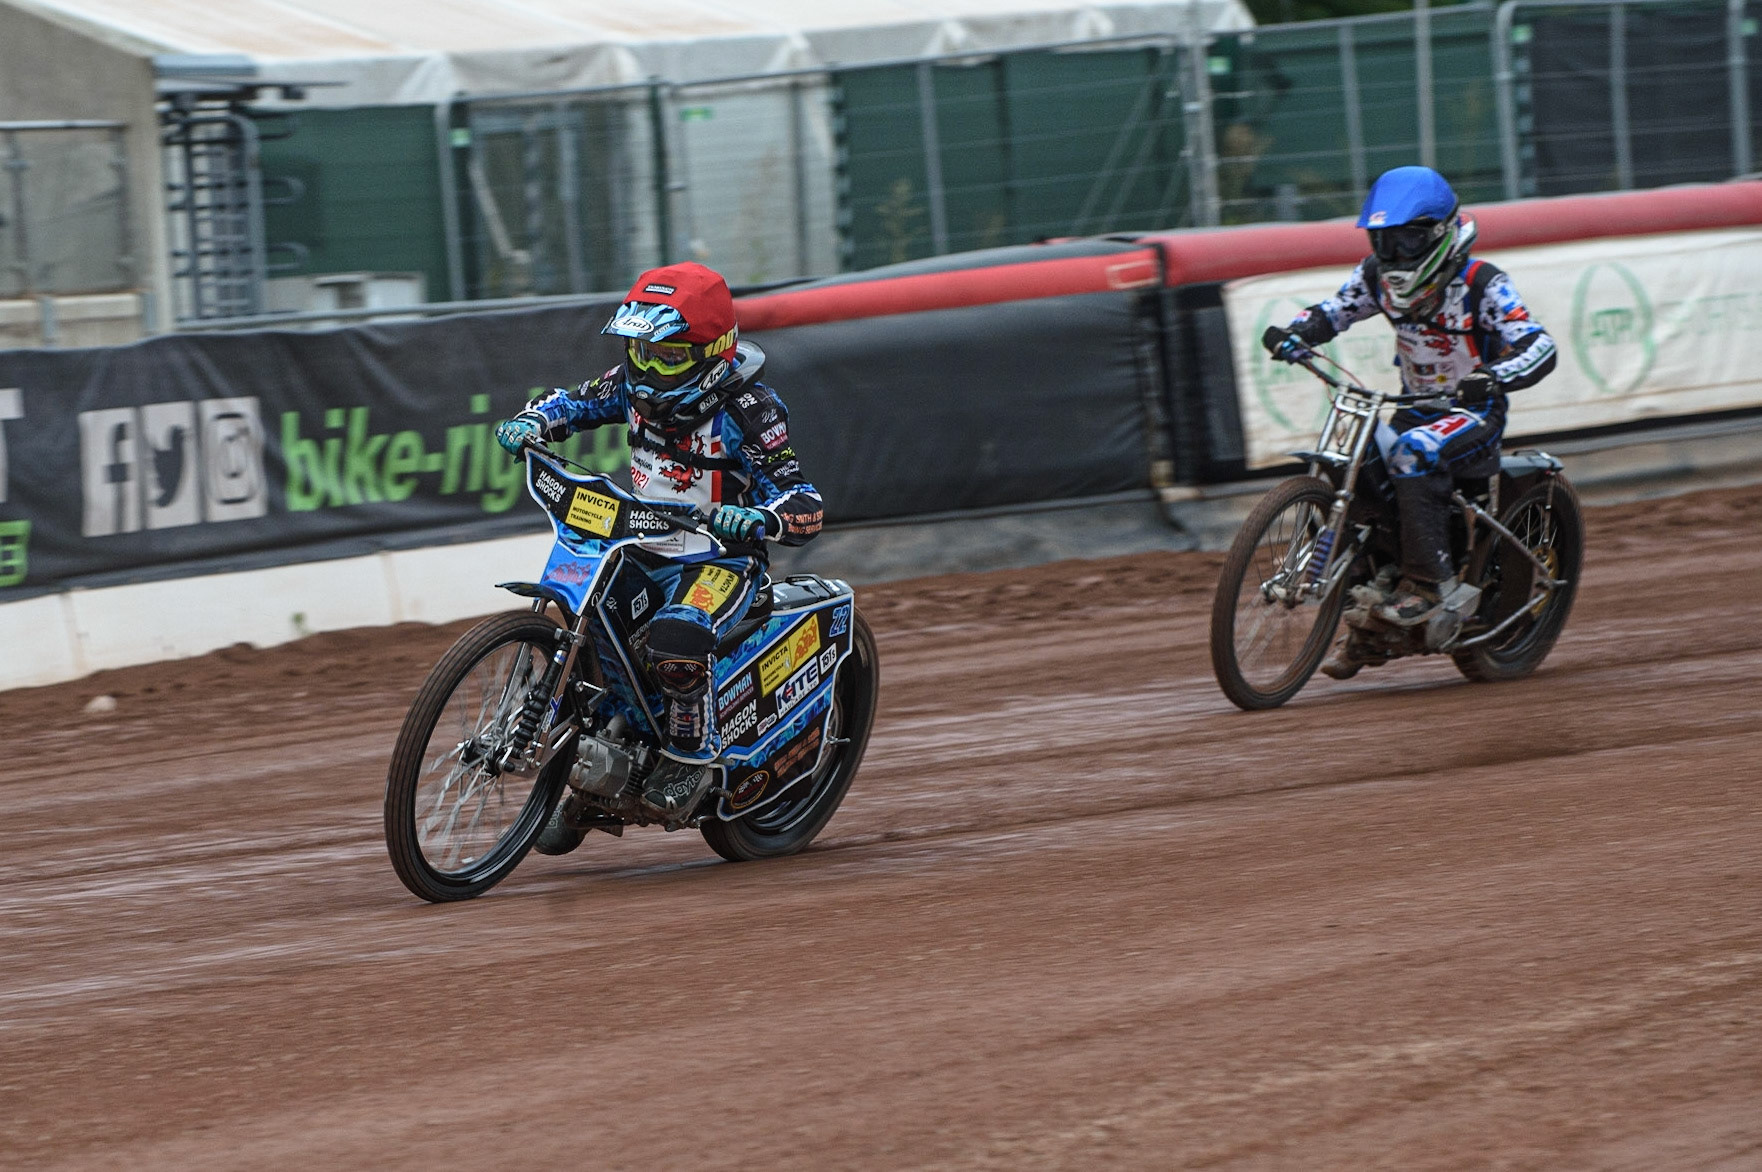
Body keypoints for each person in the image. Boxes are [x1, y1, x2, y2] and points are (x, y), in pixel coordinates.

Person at [494, 262, 824, 816]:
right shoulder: (628, 386)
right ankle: (587, 751)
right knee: (588, 615)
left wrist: (760, 519)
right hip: (642, 544)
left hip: (720, 559)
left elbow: (804, 499)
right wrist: (532, 420)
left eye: (667, 356)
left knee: (674, 638)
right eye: (640, 351)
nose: (646, 369)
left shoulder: (750, 409)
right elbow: (572, 403)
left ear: (710, 352)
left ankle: (688, 756)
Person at [1262, 165, 1557, 680]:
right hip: (1414, 407)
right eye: (1384, 242)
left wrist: (1492, 376)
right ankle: (1366, 614)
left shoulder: (1482, 283)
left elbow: (1539, 345)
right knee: (1355, 459)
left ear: (1440, 232)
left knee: (1412, 452)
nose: (1395, 255)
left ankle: (1428, 583)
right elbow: (1336, 310)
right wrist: (1298, 333)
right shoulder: (1375, 276)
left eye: (1407, 240)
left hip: (1473, 415)